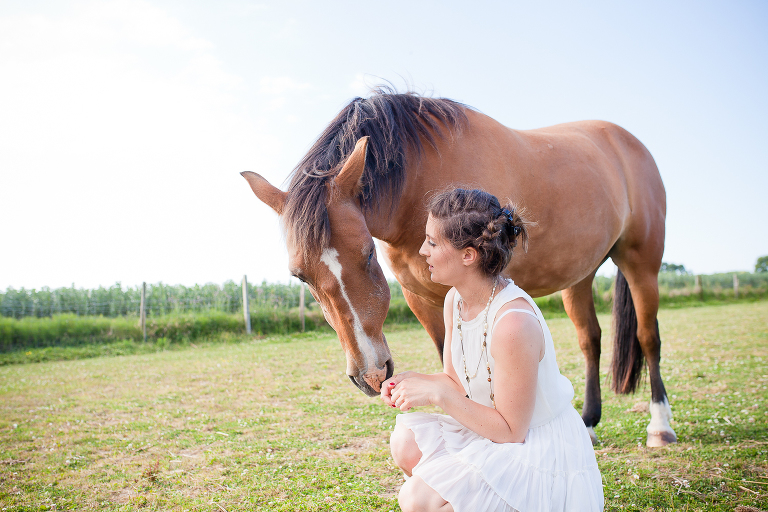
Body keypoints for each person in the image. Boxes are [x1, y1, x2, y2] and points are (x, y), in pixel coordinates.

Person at [381, 188, 604, 512]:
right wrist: (413, 382)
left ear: (468, 255)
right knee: (406, 443)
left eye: (432, 242)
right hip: (495, 430)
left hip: (536, 448)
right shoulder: (455, 300)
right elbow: (457, 381)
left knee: (417, 499)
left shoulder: (513, 324)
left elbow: (513, 431)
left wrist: (438, 396)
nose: (422, 250)